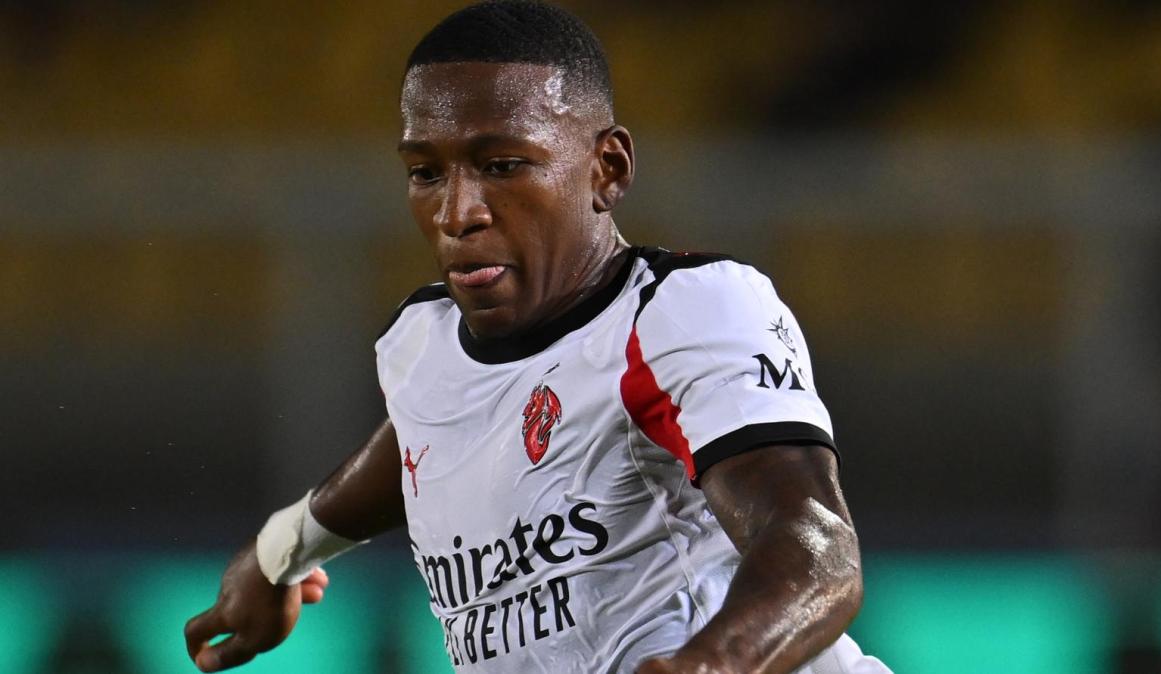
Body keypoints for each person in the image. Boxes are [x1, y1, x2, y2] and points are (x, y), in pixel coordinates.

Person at [183, 2, 891, 673]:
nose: (457, 213)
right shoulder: (422, 344)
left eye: (502, 166)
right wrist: (279, 552)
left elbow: (814, 549)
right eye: (426, 173)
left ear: (607, 169)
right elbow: (429, 445)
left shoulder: (677, 315)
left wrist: (712, 662)